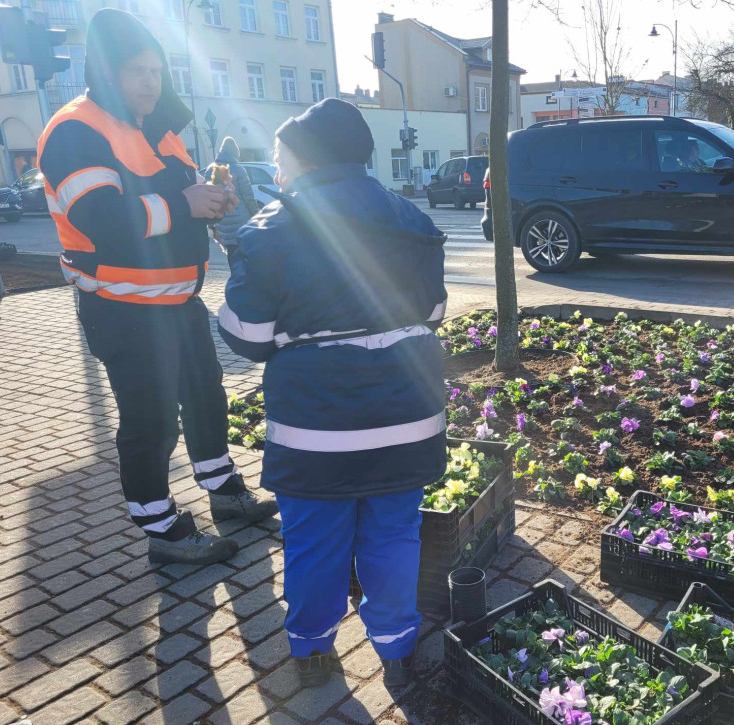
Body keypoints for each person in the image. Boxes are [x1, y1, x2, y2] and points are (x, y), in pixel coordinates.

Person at [218, 98, 448, 689]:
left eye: (278, 154)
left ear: (304, 157)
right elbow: (435, 311)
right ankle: (397, 646)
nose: (275, 165)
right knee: (395, 533)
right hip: (408, 419)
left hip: (315, 431)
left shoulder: (270, 229)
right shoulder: (412, 219)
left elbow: (247, 336)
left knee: (316, 541)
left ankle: (314, 650)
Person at [37, 9, 277, 565]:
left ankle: (224, 492)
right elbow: (104, 220)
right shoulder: (76, 130)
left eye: (156, 70)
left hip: (177, 303)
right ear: (107, 73)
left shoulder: (160, 131)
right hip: (121, 307)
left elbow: (181, 203)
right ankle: (162, 531)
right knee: (149, 420)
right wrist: (184, 204)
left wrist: (213, 203)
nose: (151, 82)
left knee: (205, 400)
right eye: (137, 71)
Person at [206, 137, 260, 258]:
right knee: (245, 259)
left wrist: (212, 225)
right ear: (235, 153)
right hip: (241, 222)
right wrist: (257, 217)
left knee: (232, 256)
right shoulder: (239, 169)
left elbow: (209, 198)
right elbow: (249, 198)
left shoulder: (210, 170)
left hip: (221, 222)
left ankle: (235, 276)